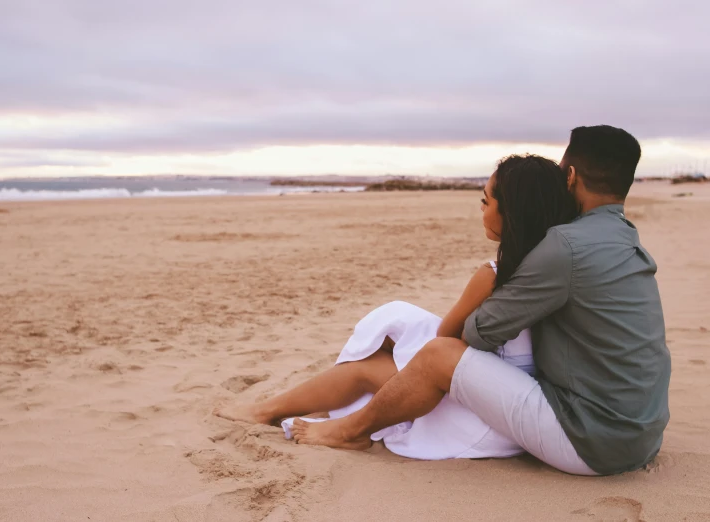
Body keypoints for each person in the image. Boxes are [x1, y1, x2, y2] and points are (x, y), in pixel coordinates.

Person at [285, 125, 671, 476]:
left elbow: (476, 334)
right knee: (409, 346)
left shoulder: (566, 246)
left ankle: (350, 431)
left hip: (591, 440)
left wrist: (489, 280)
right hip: (643, 431)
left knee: (437, 354)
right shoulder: (624, 237)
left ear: (569, 177)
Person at [217, 153, 577, 461]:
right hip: (519, 406)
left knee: (365, 367)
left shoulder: (494, 275)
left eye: (486, 201)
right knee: (393, 337)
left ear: (511, 212)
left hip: (488, 422)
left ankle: (270, 411)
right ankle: (275, 409)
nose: (481, 210)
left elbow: (445, 338)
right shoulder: (555, 269)